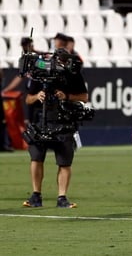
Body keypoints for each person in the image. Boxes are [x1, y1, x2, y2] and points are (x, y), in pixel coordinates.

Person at [23, 48, 89, 208]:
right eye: (60, 61)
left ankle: (62, 197)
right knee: (36, 158)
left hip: (64, 121)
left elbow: (84, 97)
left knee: (65, 162)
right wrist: (38, 96)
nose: (62, 65)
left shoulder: (73, 73)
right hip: (41, 121)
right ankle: (36, 196)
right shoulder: (41, 72)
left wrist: (66, 97)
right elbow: (28, 99)